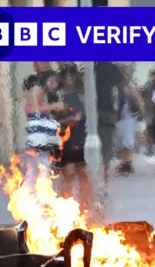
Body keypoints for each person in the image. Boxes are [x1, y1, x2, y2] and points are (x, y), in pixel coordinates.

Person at [57, 67, 93, 212]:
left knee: (83, 172)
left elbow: (87, 114)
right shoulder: (59, 97)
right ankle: (66, 205)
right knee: (69, 173)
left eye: (71, 77)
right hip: (66, 140)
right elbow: (56, 119)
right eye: (66, 77)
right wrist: (71, 119)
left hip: (81, 137)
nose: (69, 80)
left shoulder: (82, 96)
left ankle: (84, 204)